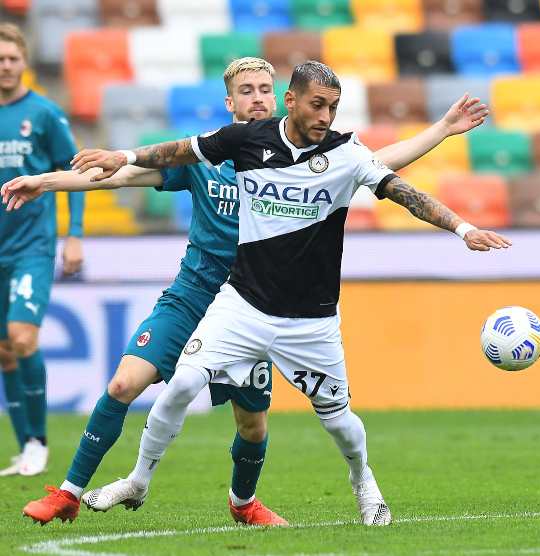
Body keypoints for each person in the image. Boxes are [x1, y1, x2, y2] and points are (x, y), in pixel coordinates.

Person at [6, 57, 491, 525]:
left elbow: (378, 166)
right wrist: (46, 182)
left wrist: (441, 134)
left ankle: (247, 502)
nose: (257, 99)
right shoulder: (218, 152)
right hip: (211, 295)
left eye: (264, 89)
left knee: (254, 425)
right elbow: (124, 172)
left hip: (289, 307)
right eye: (247, 91)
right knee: (130, 385)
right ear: (231, 101)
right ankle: (77, 491)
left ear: (281, 98)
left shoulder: (321, 154)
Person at [0, 23, 84, 478]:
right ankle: (23, 446)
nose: (6, 66)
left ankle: (38, 442)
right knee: (5, 351)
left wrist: (74, 234)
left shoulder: (46, 114)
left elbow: (74, 172)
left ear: (24, 62)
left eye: (12, 58)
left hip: (32, 245)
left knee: (22, 336)